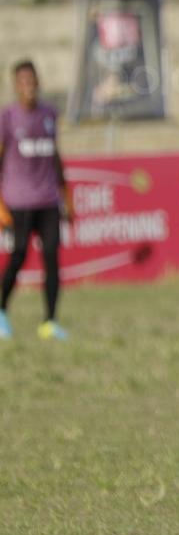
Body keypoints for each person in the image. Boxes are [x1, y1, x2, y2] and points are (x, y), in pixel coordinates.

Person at [0, 60, 72, 341]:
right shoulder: (8, 118)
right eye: (23, 82)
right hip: (19, 200)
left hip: (48, 199)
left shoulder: (49, 114)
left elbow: (55, 156)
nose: (29, 86)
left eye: (32, 80)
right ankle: (2, 311)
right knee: (18, 254)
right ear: (16, 86)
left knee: (52, 256)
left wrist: (67, 195)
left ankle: (50, 321)